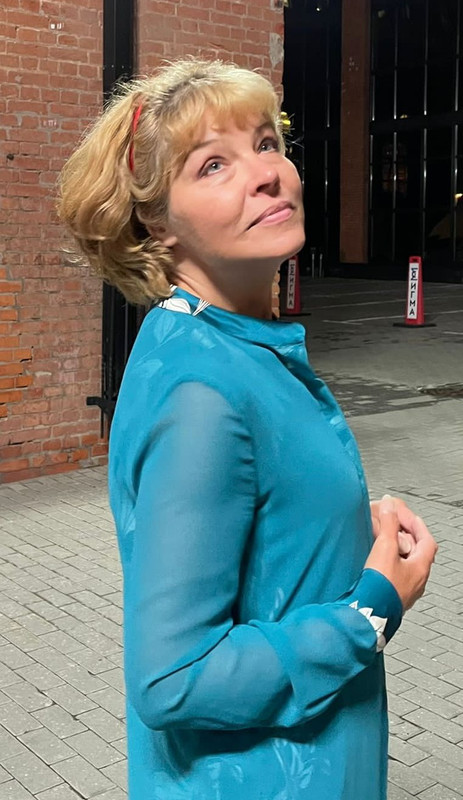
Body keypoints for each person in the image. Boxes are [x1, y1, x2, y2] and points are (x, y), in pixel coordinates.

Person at [58, 58, 437, 800]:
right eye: (213, 164)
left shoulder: (227, 340)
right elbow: (173, 677)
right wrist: (370, 610)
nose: (266, 174)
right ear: (156, 225)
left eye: (266, 143)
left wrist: (329, 526)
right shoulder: (201, 390)